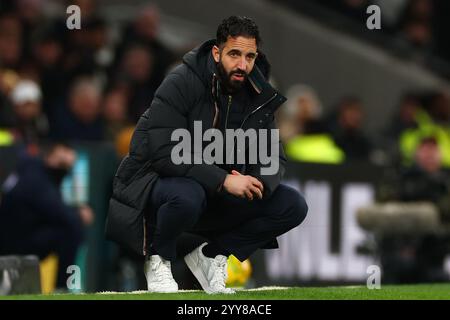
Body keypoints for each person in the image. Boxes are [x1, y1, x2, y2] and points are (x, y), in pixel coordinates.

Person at [106, 16, 308, 294]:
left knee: (292, 204)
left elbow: (274, 157)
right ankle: (159, 259)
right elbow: (163, 152)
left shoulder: (258, 92)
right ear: (216, 52)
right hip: (156, 189)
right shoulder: (180, 81)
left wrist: (257, 182)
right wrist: (223, 180)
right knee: (187, 194)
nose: (242, 64)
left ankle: (213, 255)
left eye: (250, 56)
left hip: (214, 195)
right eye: (234, 54)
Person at [0, 143, 94, 289]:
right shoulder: (34, 174)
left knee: (71, 227)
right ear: (50, 156)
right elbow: (58, 212)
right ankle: (63, 287)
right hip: (12, 241)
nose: (64, 170)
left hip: (23, 234)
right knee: (71, 229)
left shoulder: (37, 173)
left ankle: (65, 286)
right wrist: (78, 213)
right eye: (61, 163)